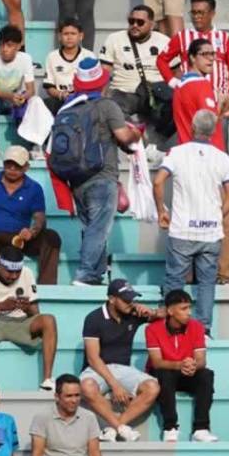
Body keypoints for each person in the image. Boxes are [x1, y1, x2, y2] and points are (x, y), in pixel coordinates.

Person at [61, 59, 142, 286]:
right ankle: (85, 273)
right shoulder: (108, 106)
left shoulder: (70, 105)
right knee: (99, 228)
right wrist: (137, 134)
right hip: (102, 176)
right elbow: (125, 138)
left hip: (76, 179)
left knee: (89, 227)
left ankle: (95, 275)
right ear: (103, 83)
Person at [154, 110, 229, 331]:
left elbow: (158, 182)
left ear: (192, 127)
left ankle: (171, 327)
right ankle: (204, 329)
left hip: (182, 229)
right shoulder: (222, 157)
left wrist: (161, 209)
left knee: (174, 280)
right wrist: (218, 215)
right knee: (207, 283)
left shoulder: (177, 153)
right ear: (214, 131)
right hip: (210, 231)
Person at [0, 245, 57, 392]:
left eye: (17, 272)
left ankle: (47, 380)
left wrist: (27, 308)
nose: (14, 276)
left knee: (48, 320)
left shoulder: (27, 273)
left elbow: (36, 313)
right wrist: (0, 306)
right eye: (9, 271)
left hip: (21, 322)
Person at [78, 279, 160, 442]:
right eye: (126, 299)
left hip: (123, 368)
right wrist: (115, 385)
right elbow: (93, 358)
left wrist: (151, 312)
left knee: (152, 388)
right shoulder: (94, 318)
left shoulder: (134, 314)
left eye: (132, 299)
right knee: (86, 387)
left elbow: (167, 313)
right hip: (98, 368)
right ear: (112, 299)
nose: (130, 303)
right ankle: (122, 428)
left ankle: (114, 428)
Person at [0, 145, 61, 284]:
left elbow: (39, 217)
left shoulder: (34, 188)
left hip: (20, 238)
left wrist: (32, 232)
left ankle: (46, 286)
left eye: (16, 166)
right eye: (8, 164)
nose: (11, 169)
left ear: (26, 167)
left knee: (52, 237)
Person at [145, 288, 217, 442]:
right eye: (184, 308)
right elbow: (157, 362)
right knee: (164, 374)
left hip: (186, 372)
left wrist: (193, 365)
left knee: (206, 374)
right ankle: (170, 427)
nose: (189, 312)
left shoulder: (197, 326)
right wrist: (180, 365)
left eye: (189, 308)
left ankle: (201, 428)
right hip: (165, 373)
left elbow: (201, 360)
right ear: (170, 311)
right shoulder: (152, 329)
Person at [157, 0, 229, 123]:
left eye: (201, 13)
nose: (196, 17)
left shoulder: (224, 38)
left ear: (212, 14)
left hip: (218, 102)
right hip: (190, 101)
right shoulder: (182, 37)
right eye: (194, 12)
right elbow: (161, 60)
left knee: (219, 141)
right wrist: (173, 82)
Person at [98, 5, 172, 126]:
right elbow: (105, 70)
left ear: (152, 25)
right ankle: (133, 135)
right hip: (124, 91)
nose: (135, 25)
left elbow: (176, 71)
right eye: (131, 21)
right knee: (112, 109)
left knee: (169, 111)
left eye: (140, 22)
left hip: (155, 92)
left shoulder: (163, 41)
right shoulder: (114, 39)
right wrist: (101, 96)